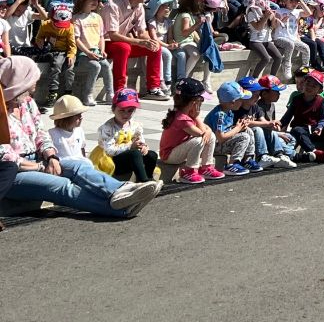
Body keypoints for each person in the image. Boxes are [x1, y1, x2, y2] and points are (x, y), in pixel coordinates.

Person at [1, 54, 161, 218]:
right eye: (32, 78)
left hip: (40, 160)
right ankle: (119, 208)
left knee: (78, 166)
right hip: (13, 174)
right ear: (19, 81)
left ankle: (121, 190)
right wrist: (41, 167)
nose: (36, 82)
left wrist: (52, 157)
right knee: (62, 185)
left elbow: (41, 133)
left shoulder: (27, 103)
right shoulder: (1, 111)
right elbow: (7, 157)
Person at [159, 77, 225, 183]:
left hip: (179, 151)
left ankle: (206, 167)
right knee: (199, 140)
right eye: (201, 100)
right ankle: (188, 171)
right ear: (193, 102)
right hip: (169, 156)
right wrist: (197, 116)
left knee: (210, 135)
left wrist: (205, 129)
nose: (201, 104)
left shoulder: (187, 114)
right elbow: (200, 133)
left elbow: (205, 129)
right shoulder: (181, 118)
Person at [95, 88, 160, 181]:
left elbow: (140, 141)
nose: (126, 114)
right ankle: (143, 181)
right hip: (112, 161)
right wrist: (130, 146)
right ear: (113, 109)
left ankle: (149, 177)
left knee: (152, 155)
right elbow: (110, 150)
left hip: (131, 158)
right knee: (135, 153)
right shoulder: (108, 128)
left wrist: (143, 147)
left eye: (130, 111)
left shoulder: (135, 126)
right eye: (122, 110)